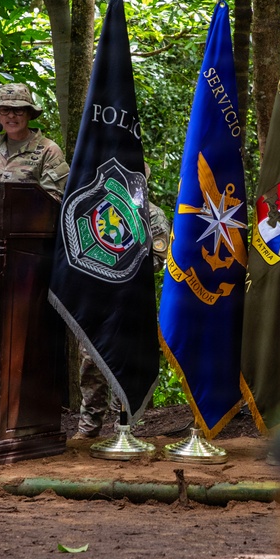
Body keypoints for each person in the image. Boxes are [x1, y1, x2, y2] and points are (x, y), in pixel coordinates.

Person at [71, 165, 170, 440]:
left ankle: (123, 428)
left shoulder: (152, 214)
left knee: (125, 364)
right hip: (97, 304)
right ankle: (88, 428)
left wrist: (118, 267)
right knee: (91, 365)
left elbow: (157, 260)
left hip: (130, 304)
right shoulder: (95, 210)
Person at [0, 83, 69, 200]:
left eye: (18, 110)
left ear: (29, 114)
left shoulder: (49, 150)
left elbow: (52, 200)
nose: (11, 115)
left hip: (30, 217)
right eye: (5, 110)